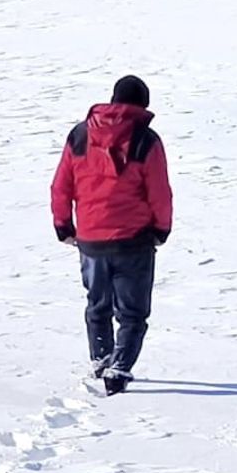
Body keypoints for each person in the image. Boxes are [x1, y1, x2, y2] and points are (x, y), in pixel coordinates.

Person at [51, 75, 173, 396]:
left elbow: (61, 184)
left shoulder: (80, 135)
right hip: (134, 241)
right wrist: (161, 229)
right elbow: (159, 192)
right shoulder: (146, 140)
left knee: (98, 304)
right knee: (132, 313)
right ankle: (118, 369)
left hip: (90, 240)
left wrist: (63, 225)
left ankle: (101, 358)